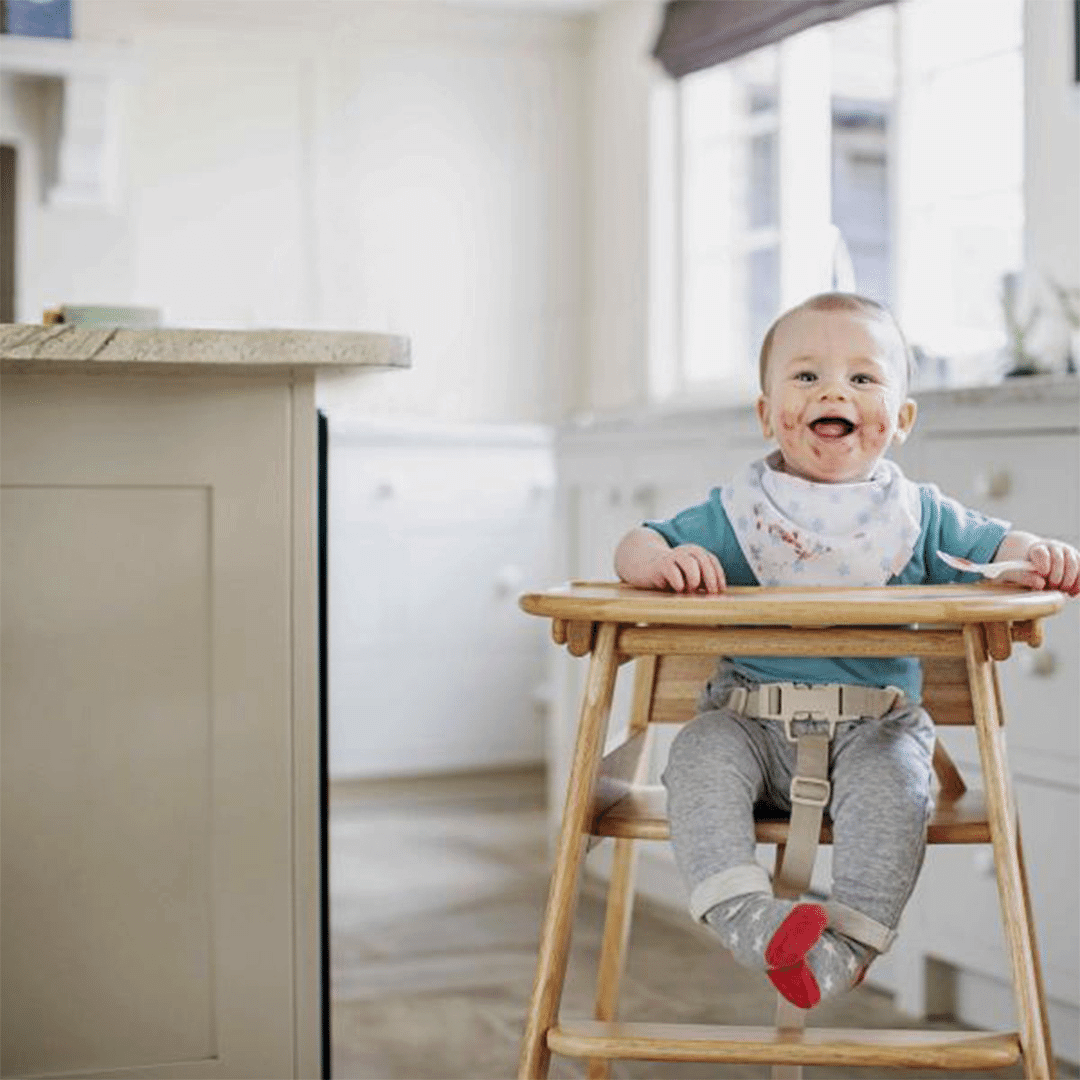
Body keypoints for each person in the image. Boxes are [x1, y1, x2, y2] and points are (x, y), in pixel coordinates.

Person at [613, 292, 1079, 1009]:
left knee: (900, 784)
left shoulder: (918, 517)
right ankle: (747, 916)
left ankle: (844, 949)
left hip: (875, 728)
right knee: (698, 755)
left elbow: (1000, 546)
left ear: (902, 420)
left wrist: (1036, 554)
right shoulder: (738, 516)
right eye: (806, 377)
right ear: (767, 414)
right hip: (749, 726)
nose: (835, 390)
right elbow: (640, 540)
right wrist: (649, 561)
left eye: (863, 378)